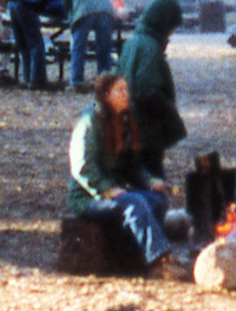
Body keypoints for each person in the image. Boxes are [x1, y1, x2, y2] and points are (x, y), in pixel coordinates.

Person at [67, 73, 175, 272]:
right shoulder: (88, 123)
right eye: (120, 90)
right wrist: (105, 189)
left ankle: (133, 256)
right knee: (134, 203)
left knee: (156, 199)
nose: (126, 95)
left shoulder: (124, 121)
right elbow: (81, 168)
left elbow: (133, 166)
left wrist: (150, 181)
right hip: (88, 198)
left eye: (127, 90)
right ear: (106, 95)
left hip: (115, 191)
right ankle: (159, 261)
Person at [118, 0, 186, 178]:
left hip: (130, 126)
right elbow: (146, 90)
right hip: (145, 129)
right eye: (171, 27)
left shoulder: (133, 42)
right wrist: (170, 113)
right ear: (164, 23)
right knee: (151, 181)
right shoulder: (149, 47)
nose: (171, 33)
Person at [6, 0, 67, 88]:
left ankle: (27, 79)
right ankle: (38, 81)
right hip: (25, 3)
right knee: (36, 44)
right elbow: (55, 3)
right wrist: (66, 16)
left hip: (11, 0)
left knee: (23, 44)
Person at [62, 0, 118, 89]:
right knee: (104, 47)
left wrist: (69, 16)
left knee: (79, 47)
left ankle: (76, 81)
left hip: (83, 12)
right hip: (106, 11)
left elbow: (65, 0)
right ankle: (105, 81)